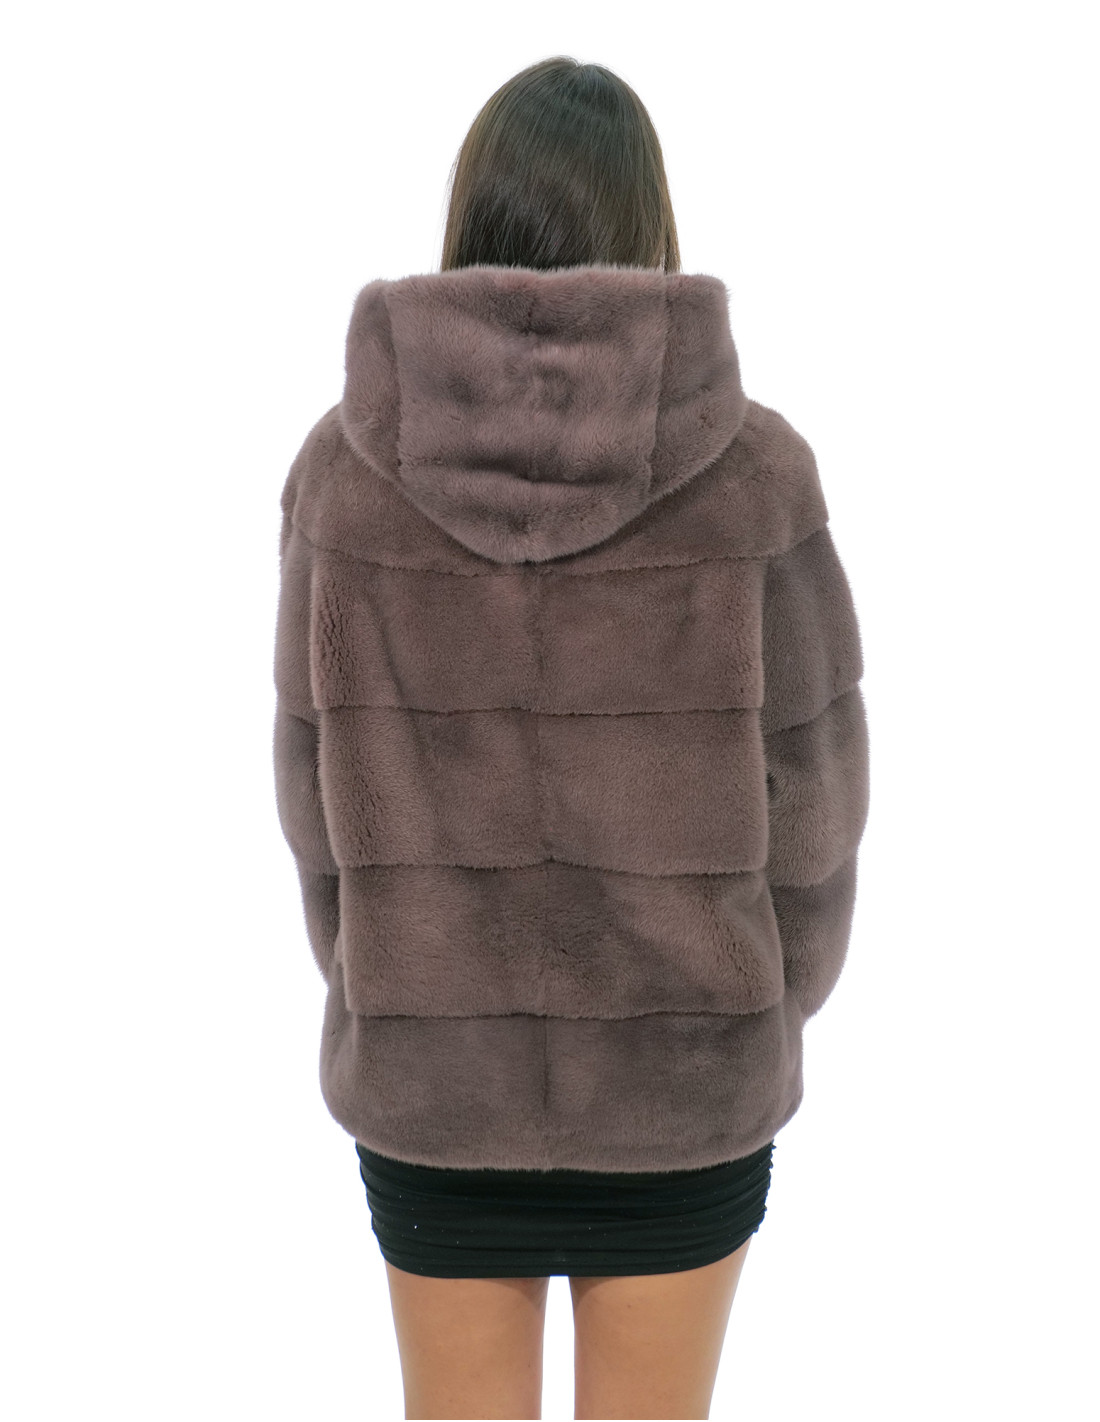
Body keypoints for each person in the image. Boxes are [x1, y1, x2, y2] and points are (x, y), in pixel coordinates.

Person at [272, 53, 870, 1421]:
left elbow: (316, 803)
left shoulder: (342, 479)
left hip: (436, 1086)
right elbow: (817, 803)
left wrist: (389, 981)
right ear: (649, 221)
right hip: (683, 1079)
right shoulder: (755, 477)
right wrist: (765, 1004)